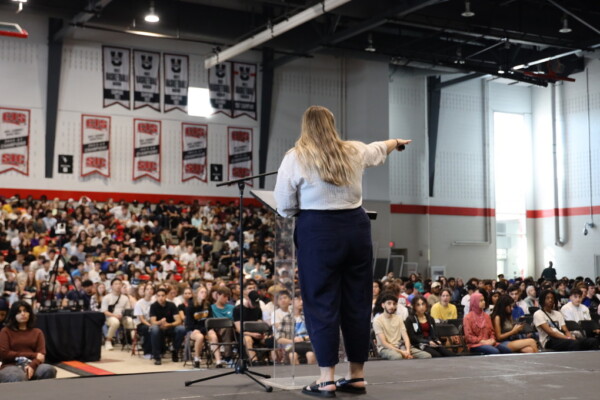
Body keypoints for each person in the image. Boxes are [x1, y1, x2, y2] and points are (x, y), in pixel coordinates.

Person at [274, 105, 411, 397]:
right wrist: (397, 142)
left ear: (305, 126)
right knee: (357, 302)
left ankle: (326, 379)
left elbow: (284, 206)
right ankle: (357, 376)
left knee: (321, 303)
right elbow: (379, 148)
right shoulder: (352, 150)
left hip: (318, 232)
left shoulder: (295, 157)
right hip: (356, 230)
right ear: (332, 124)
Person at [0, 301, 57, 382]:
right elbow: (5, 354)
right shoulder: (6, 331)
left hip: (33, 363)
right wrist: (33, 355)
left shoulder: (37, 332)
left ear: (30, 313)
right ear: (13, 315)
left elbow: (41, 356)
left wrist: (32, 366)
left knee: (48, 369)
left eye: (25, 311)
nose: (23, 314)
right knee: (18, 376)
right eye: (19, 312)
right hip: (11, 365)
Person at [533, 289, 599, 351]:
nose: (550, 300)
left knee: (592, 341)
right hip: (549, 341)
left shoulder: (558, 314)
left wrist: (570, 337)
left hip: (563, 338)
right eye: (547, 298)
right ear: (542, 300)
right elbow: (551, 332)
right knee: (574, 344)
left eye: (552, 298)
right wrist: (567, 338)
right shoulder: (538, 314)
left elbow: (565, 330)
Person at [372, 293, 431, 361]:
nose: (392, 306)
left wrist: (408, 351)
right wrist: (402, 352)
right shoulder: (377, 321)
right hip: (385, 349)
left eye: (394, 304)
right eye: (389, 303)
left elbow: (405, 337)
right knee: (397, 357)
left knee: (426, 356)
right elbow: (384, 343)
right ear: (383, 305)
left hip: (401, 346)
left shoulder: (399, 318)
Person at [149, 288, 186, 365]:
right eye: (159, 296)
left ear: (166, 296)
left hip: (170, 326)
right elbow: (153, 322)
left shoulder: (171, 305)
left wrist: (169, 324)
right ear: (156, 297)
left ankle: (175, 350)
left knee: (181, 328)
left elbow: (178, 320)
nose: (161, 297)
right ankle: (157, 356)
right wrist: (160, 322)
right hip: (159, 327)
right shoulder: (153, 306)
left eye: (163, 295)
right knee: (154, 329)